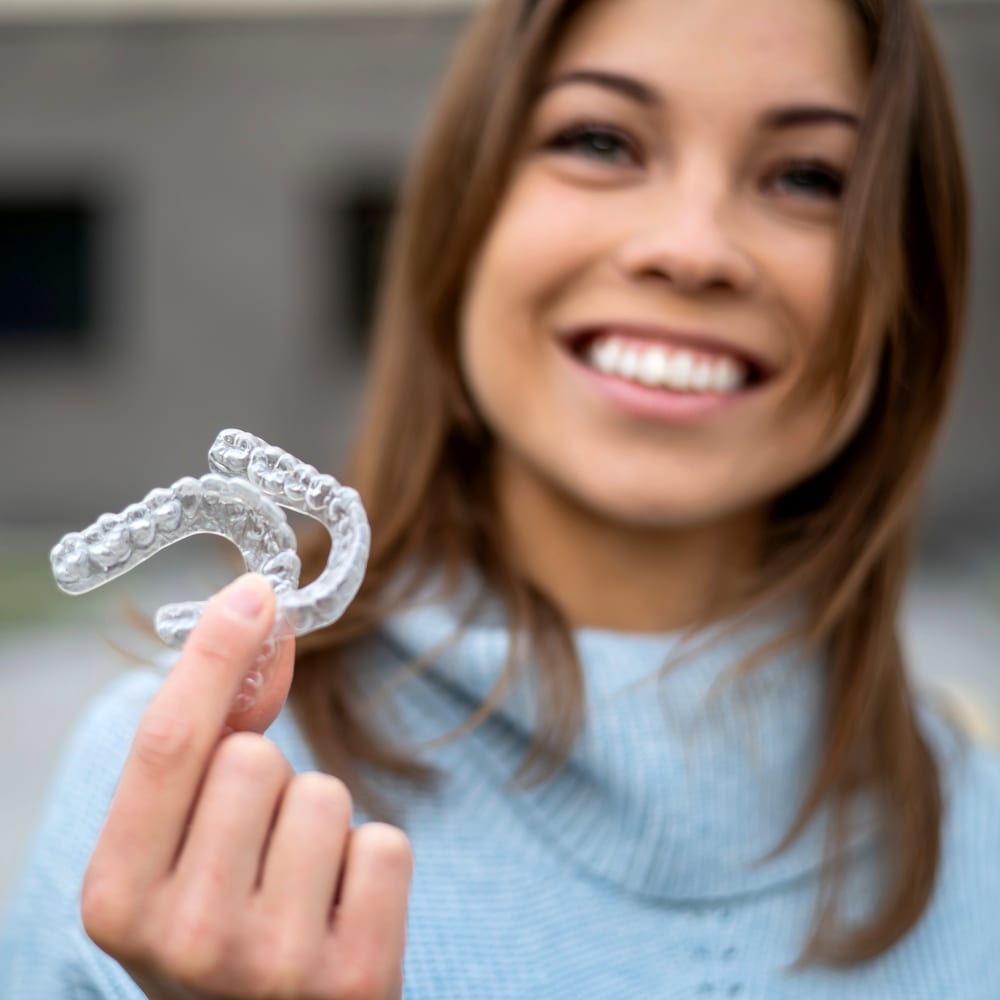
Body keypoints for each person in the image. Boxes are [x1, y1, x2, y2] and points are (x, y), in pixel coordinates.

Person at [2, 0, 998, 995]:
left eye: (807, 176)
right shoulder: (178, 803)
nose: (691, 248)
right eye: (599, 141)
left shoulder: (981, 851)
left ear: (908, 289)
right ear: (463, 213)